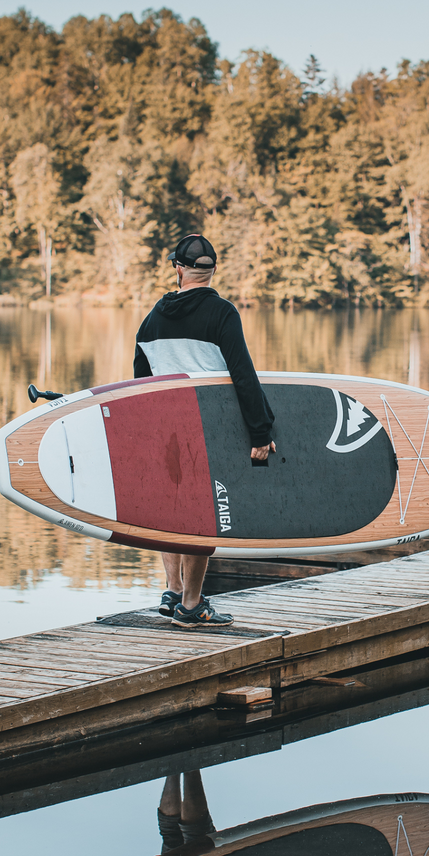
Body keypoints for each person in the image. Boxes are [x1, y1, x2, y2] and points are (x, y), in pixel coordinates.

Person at [134, 233, 275, 628]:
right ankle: (192, 606)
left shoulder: (151, 320)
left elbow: (139, 385)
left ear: (179, 269)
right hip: (206, 430)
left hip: (164, 431)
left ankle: (173, 590)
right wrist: (260, 432)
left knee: (170, 512)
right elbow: (243, 375)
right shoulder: (222, 314)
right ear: (211, 271)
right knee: (202, 517)